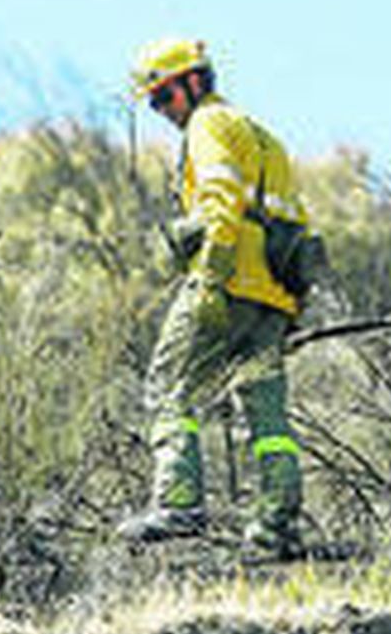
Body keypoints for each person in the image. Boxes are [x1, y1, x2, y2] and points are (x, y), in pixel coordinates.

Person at [117, 37, 312, 560]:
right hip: (274, 294)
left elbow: (223, 203)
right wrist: (290, 311)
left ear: (194, 82)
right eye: (155, 102)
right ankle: (277, 529)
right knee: (266, 417)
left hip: (227, 281)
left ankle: (179, 504)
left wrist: (209, 277)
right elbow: (297, 225)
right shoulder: (263, 136)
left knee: (168, 385)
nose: (162, 112)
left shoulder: (207, 126)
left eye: (164, 98)